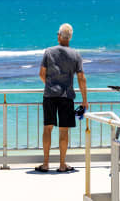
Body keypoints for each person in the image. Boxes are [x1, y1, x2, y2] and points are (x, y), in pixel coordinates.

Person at [35, 23, 88, 173]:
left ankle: (45, 164)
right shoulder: (76, 54)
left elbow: (41, 74)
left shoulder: (49, 52)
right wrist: (85, 100)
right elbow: (81, 78)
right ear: (69, 38)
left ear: (59, 36)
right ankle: (62, 164)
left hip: (50, 95)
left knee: (47, 129)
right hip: (66, 96)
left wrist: (50, 85)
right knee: (64, 131)